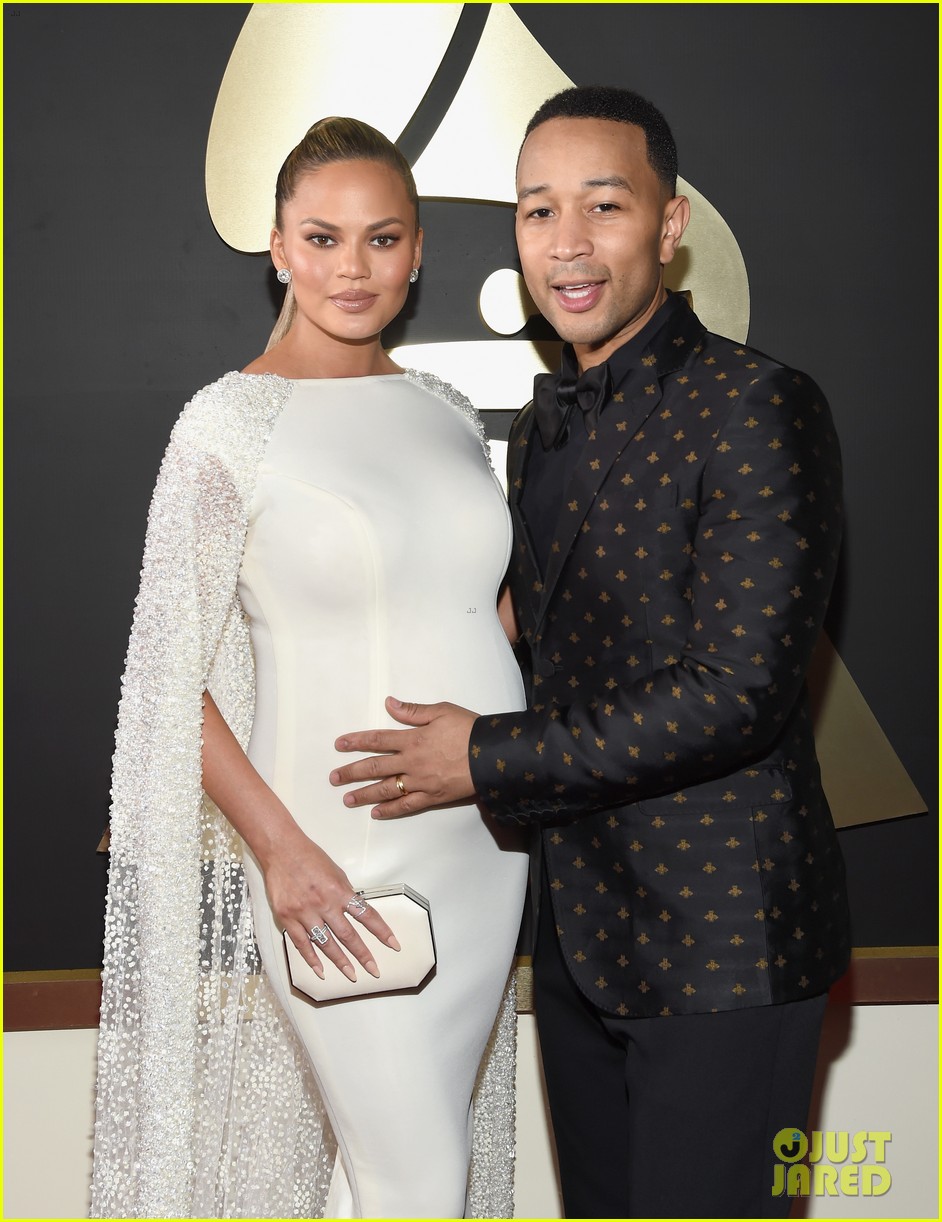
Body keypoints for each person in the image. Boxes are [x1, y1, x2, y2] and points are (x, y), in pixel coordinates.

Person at [329, 87, 851, 1218]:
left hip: (725, 950)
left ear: (669, 228)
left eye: (603, 206)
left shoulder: (760, 405)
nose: (565, 244)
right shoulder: (548, 425)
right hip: (577, 941)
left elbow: (741, 693)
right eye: (536, 211)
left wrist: (487, 756)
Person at [90, 116, 528, 1220]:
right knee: (415, 1179)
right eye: (323, 238)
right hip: (338, 865)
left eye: (382, 239)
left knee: (399, 1177)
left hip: (484, 852)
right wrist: (279, 853)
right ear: (278, 248)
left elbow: (485, 610)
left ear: (419, 250)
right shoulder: (225, 429)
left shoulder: (443, 412)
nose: (353, 268)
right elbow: (163, 682)